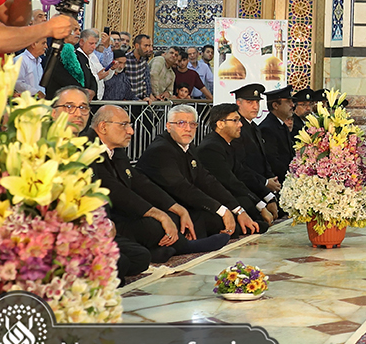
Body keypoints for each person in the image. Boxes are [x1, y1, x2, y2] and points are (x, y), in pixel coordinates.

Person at [89, 104, 232, 263]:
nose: (131, 131)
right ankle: (179, 247)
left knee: (174, 216)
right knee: (153, 226)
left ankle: (161, 249)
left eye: (192, 124)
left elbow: (140, 182)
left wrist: (176, 208)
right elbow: (116, 191)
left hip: (124, 210)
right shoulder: (88, 150)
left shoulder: (116, 149)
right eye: (124, 125)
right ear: (103, 127)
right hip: (103, 218)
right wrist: (159, 214)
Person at [50, 87, 150, 282]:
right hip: (63, 230)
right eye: (69, 107)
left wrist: (106, 223)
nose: (78, 113)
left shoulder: (84, 146)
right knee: (119, 264)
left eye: (83, 108)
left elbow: (97, 193)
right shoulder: (44, 146)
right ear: (54, 113)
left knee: (140, 257)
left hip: (93, 226)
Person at [137, 104, 262, 238]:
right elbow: (182, 188)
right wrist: (221, 210)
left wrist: (237, 210)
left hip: (184, 203)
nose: (188, 128)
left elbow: (207, 181)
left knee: (239, 217)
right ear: (168, 126)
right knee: (217, 221)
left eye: (192, 124)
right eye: (181, 123)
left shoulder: (188, 147)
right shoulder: (160, 149)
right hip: (162, 208)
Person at [197, 103, 279, 226]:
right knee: (254, 213)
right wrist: (261, 206)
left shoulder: (227, 144)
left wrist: (268, 198)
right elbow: (230, 182)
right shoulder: (210, 148)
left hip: (232, 195)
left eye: (239, 120)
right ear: (220, 124)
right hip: (218, 201)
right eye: (235, 120)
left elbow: (243, 173)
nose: (240, 125)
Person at [229, 83, 284, 202]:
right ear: (238, 103)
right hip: (248, 190)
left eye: (257, 102)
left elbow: (263, 158)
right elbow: (241, 165)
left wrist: (271, 178)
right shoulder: (236, 129)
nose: (255, 107)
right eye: (250, 102)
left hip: (261, 186)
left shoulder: (254, 127)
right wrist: (265, 182)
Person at [259, 85, 296, 177]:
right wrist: (290, 175)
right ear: (275, 105)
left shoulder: (281, 125)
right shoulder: (267, 128)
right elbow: (273, 161)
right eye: (288, 102)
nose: (292, 105)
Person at [124, 34, 155, 101]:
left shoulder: (144, 60)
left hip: (141, 100)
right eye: (146, 46)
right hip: (127, 100)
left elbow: (145, 79)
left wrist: (148, 94)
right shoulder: (126, 59)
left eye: (150, 46)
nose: (149, 49)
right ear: (137, 46)